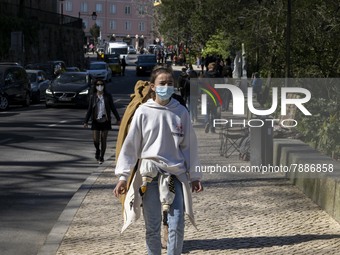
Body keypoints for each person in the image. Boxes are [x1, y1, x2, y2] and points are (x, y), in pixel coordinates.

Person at [113, 67, 203, 255]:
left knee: (177, 223)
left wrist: (195, 176)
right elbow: (130, 146)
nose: (167, 86)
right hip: (149, 177)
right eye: (162, 83)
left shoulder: (181, 112)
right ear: (153, 87)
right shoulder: (143, 112)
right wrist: (123, 176)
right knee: (153, 227)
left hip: (174, 176)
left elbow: (189, 146)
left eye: (170, 83)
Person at [84, 79, 121, 164]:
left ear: (104, 86)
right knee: (96, 140)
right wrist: (85, 121)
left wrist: (118, 119)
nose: (100, 86)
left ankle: (101, 157)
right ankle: (97, 150)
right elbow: (89, 109)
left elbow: (113, 108)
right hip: (95, 120)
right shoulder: (93, 96)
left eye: (101, 85)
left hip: (105, 120)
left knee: (103, 139)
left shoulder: (107, 96)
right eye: (98, 85)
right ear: (95, 86)